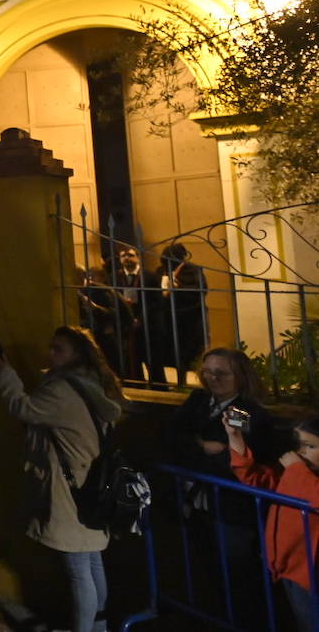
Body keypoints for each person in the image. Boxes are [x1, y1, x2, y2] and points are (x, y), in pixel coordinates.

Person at [0, 326, 124, 632]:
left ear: (77, 353)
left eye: (58, 349)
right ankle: (99, 629)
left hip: (70, 490)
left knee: (79, 569)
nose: (50, 353)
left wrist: (6, 376)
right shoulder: (89, 383)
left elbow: (23, 408)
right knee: (92, 561)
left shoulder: (62, 390)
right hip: (89, 482)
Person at [164, 347, 274, 615]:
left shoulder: (243, 410)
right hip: (196, 503)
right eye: (208, 372)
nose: (213, 379)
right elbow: (169, 437)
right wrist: (202, 446)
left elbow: (229, 459)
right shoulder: (199, 400)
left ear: (240, 376)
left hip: (229, 508)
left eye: (221, 374)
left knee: (237, 572)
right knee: (206, 568)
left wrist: (196, 447)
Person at [228, 412, 319, 627]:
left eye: (311, 446)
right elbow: (254, 477)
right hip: (289, 567)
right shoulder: (299, 474)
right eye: (299, 445)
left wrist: (296, 469)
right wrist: (235, 437)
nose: (302, 452)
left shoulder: (300, 474)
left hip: (310, 572)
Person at [149, 243, 209, 384]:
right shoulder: (161, 270)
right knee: (169, 353)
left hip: (189, 321)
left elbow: (200, 292)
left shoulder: (192, 270)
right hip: (167, 318)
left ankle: (184, 382)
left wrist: (179, 288)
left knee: (187, 355)